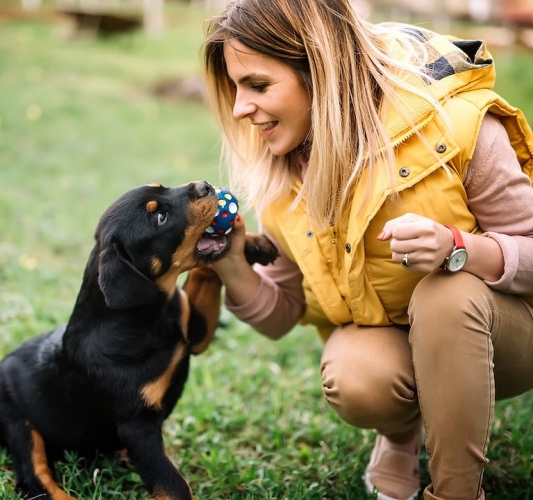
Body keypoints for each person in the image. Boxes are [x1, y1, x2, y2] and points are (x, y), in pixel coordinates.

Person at [201, 1, 533, 499]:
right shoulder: (283, 175)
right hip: (397, 338)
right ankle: (401, 434)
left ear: (320, 68)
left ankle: (455, 492)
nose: (239, 109)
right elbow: (283, 312)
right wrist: (231, 263)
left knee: (445, 296)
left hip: (504, 335)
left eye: (258, 85)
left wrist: (457, 248)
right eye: (235, 88)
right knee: (358, 377)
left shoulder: (457, 127)